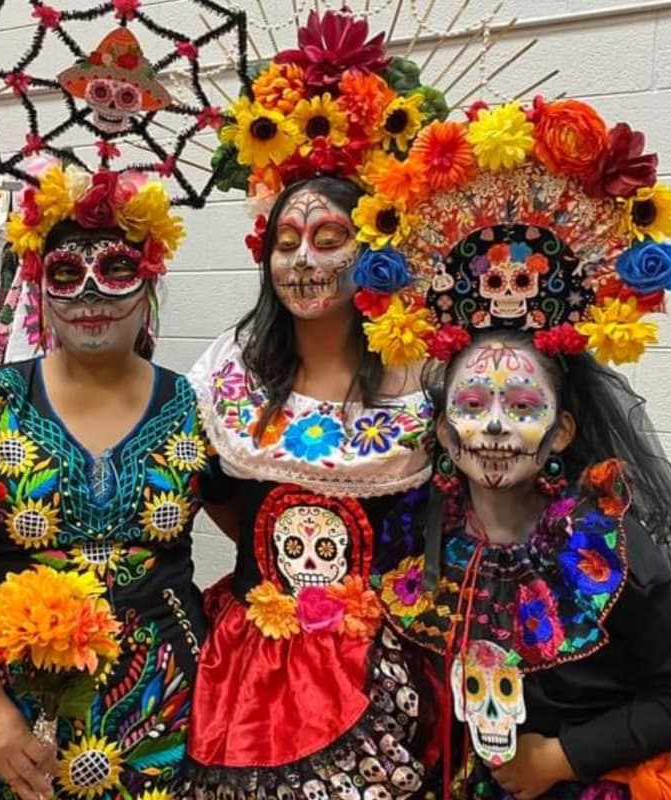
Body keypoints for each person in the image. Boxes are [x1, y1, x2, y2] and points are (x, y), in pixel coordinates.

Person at [365, 96, 671, 798]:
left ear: (563, 430)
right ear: (446, 433)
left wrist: (558, 760)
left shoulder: (608, 544)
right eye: (474, 407)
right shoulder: (422, 533)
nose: (498, 427)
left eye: (523, 406)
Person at [184, 11, 455, 795]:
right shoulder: (229, 376)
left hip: (394, 664)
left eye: (330, 237)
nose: (303, 260)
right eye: (286, 240)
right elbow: (218, 499)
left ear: (373, 247)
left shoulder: (424, 379)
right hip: (252, 672)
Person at [0, 163, 211, 800]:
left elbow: (265, 533)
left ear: (150, 280)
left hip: (166, 703)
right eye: (65, 274)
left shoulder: (195, 406)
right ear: (40, 287)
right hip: (15, 710)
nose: (89, 295)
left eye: (115, 271)